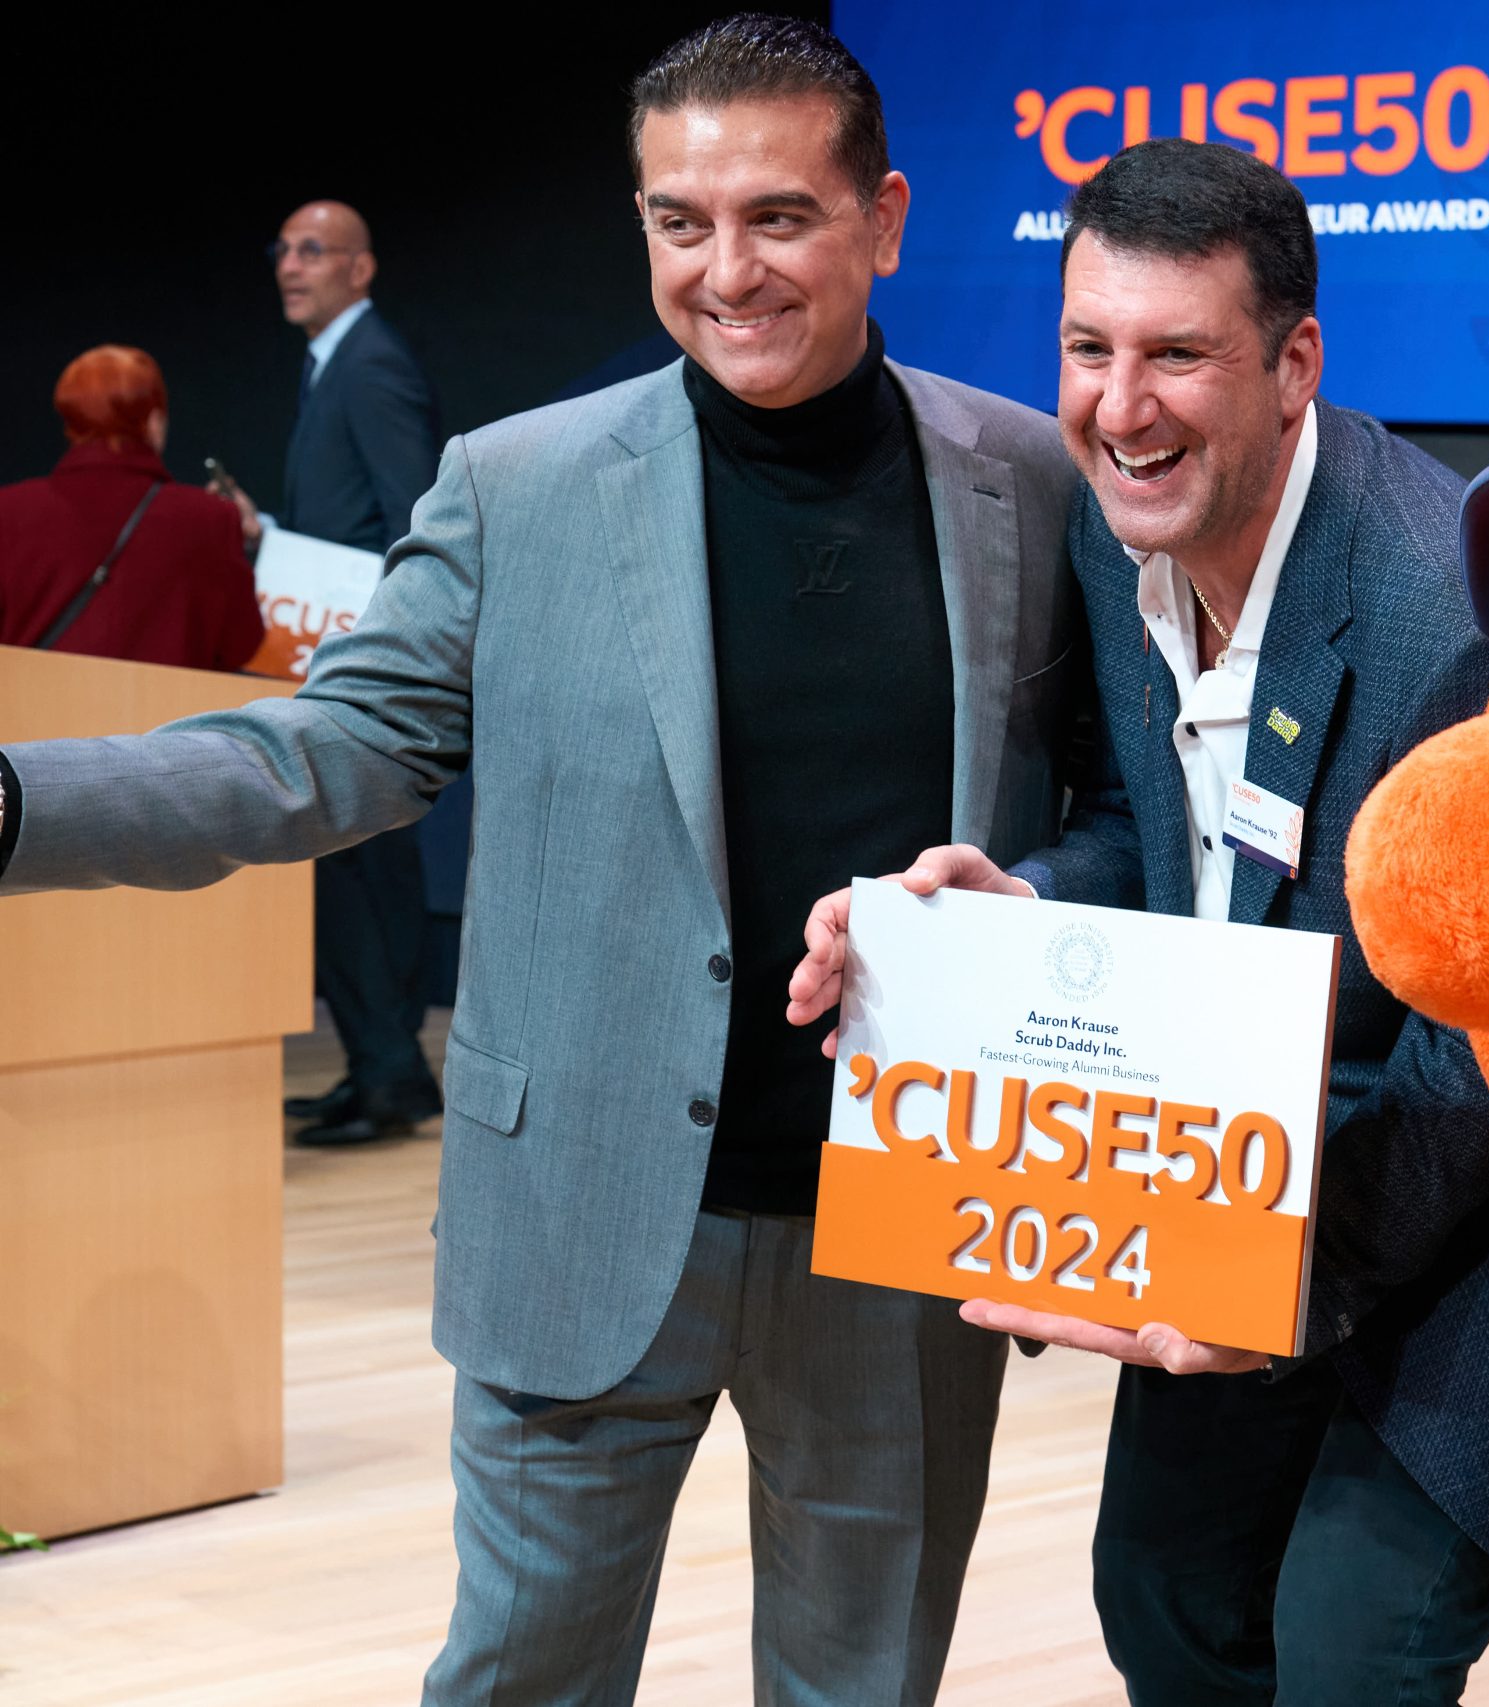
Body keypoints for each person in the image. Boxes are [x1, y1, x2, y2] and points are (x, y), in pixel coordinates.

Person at [0, 16, 1085, 1703]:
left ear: (883, 217)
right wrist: (16, 804)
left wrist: (1033, 895)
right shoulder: (514, 486)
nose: (727, 271)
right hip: (577, 1212)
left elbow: (1101, 806)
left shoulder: (1026, 473)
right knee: (520, 1678)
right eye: (680, 221)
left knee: (863, 1686)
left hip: (899, 1234)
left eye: (780, 217)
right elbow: (327, 751)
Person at [789, 138, 1489, 1707]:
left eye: (1177, 356)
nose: (1119, 407)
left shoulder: (1452, 615)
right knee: (1162, 1588)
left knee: (1354, 1641)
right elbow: (1147, 827)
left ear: (1294, 366)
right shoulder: (1119, 520)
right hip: (1265, 1168)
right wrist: (1019, 918)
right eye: (1088, 348)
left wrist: (1282, 1279)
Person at [212, 198, 448, 1145]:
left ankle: (390, 1077)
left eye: (314, 251)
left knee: (361, 872)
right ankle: (378, 1070)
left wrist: (395, 654)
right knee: (350, 871)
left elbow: (415, 517)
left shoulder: (373, 364)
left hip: (367, 671)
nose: (290, 265)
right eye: (283, 249)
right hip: (336, 655)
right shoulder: (333, 365)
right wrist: (265, 533)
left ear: (362, 269)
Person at [0, 346, 263, 669]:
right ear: (154, 422)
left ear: (70, 423)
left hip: (30, 716)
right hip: (167, 718)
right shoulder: (211, 517)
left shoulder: (8, 511)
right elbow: (241, 647)